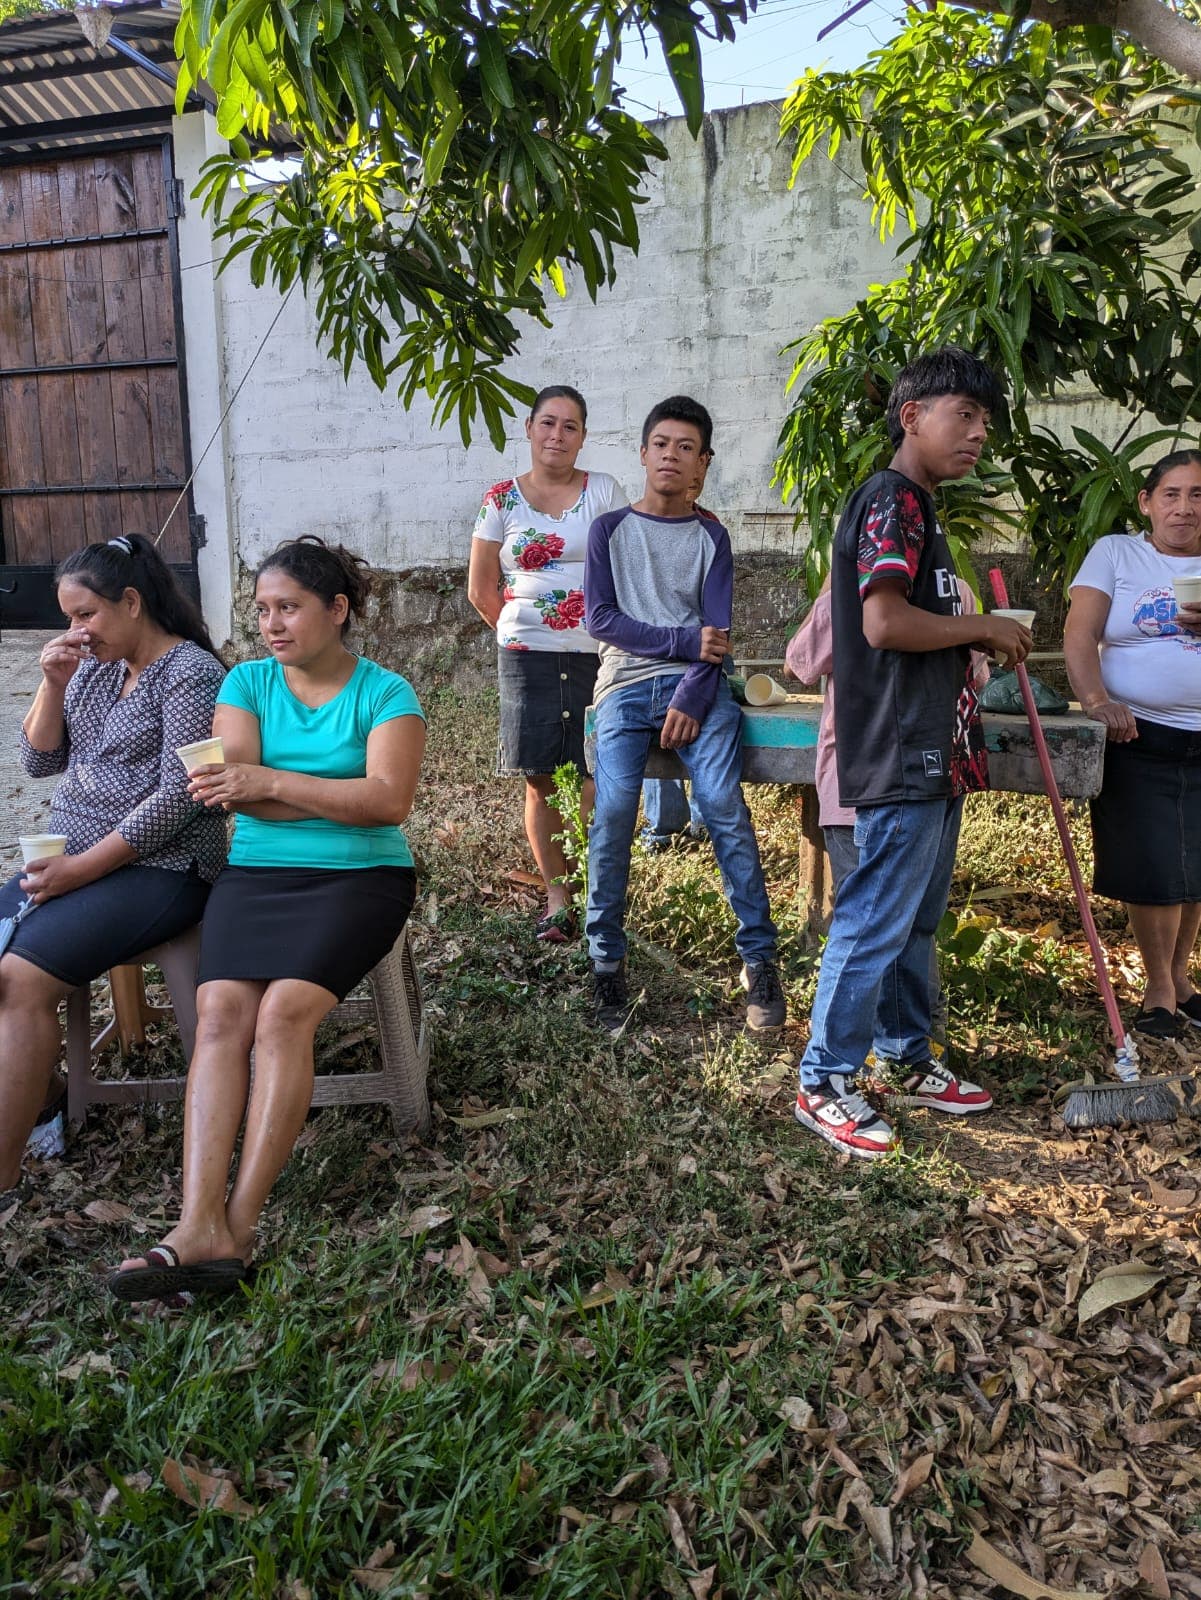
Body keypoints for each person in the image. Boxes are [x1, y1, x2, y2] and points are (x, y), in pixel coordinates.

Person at [108, 537, 425, 1300]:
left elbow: (386, 803)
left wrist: (269, 781)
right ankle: (194, 1224)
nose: (271, 623)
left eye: (288, 607)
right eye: (261, 609)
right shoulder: (247, 682)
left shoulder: (387, 694)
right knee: (219, 1013)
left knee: (282, 1015)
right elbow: (228, 790)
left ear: (336, 610)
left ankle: (238, 1228)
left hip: (362, 876)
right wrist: (309, 792)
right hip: (259, 873)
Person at [794, 348, 1031, 1159]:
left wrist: (972, 644)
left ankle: (904, 1055)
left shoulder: (919, 511)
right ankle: (822, 1080)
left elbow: (916, 631)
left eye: (984, 422)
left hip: (937, 749)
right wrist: (984, 626)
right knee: (871, 919)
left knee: (916, 920)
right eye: (960, 415)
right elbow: (882, 624)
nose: (976, 435)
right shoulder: (891, 501)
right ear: (910, 417)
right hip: (900, 750)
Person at [0, 535, 226, 1209]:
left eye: (87, 615)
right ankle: (42, 1092)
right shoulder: (93, 668)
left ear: (131, 601)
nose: (78, 631)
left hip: (165, 867)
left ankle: (4, 1176)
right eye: (69, 618)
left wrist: (79, 871)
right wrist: (51, 681)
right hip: (72, 858)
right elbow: (39, 764)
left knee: (19, 979)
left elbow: (182, 794)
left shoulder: (189, 672)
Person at [584, 395, 785, 1035]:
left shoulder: (712, 537)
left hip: (699, 690)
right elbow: (601, 620)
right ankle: (605, 962)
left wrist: (693, 696)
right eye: (661, 444)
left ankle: (761, 961)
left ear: (703, 465)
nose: (672, 456)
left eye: (686, 448)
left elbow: (716, 634)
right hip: (622, 687)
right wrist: (679, 643)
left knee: (724, 804)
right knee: (615, 809)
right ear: (644, 454)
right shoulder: (609, 530)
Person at [786, 575, 990, 1043]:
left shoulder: (847, 590)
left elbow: (799, 663)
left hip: (865, 783)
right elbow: (978, 676)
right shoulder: (955, 590)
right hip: (933, 777)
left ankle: (895, 1044)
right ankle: (888, 1044)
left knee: (873, 925)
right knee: (911, 921)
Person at [468, 386, 626, 943]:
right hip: (526, 655)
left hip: (596, 652)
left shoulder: (604, 491)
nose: (558, 436)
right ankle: (558, 899)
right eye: (549, 424)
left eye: (571, 427)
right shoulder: (499, 500)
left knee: (589, 775)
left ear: (583, 436)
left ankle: (593, 885)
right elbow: (481, 589)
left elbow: (624, 570)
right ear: (530, 429)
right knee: (538, 778)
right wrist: (526, 631)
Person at [1064, 448, 1201, 1039]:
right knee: (1155, 864)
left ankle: (1182, 977)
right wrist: (1098, 702)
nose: (1185, 508)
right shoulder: (1117, 553)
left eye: (1198, 495)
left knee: (1195, 865)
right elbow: (1079, 634)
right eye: (1171, 494)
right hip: (1138, 730)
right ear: (1146, 502)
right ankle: (1158, 987)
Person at [640, 449, 714, 852]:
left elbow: (716, 608)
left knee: (706, 729)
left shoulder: (711, 527)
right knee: (660, 730)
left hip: (703, 647)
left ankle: (704, 821)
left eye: (699, 464)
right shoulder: (637, 528)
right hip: (658, 650)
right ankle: (664, 827)